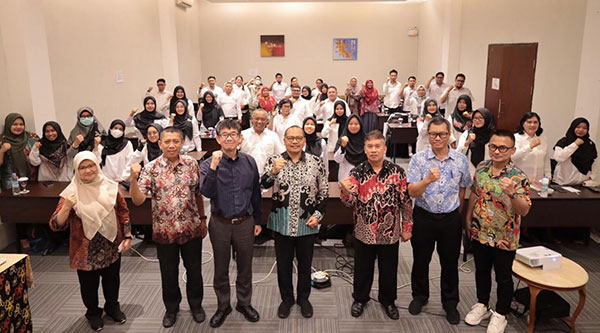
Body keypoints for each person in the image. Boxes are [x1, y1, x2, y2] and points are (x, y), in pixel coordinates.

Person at [129, 126, 208, 328]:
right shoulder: (151, 167)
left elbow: (198, 193)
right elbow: (138, 201)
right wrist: (132, 179)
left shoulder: (191, 164)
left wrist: (203, 218)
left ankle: (196, 305)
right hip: (165, 231)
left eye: (175, 141)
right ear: (160, 143)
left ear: (182, 143)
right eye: (167, 141)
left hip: (191, 227)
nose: (171, 145)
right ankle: (171, 308)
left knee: (194, 270)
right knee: (169, 272)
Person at [50, 151, 131, 331]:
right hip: (85, 249)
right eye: (82, 167)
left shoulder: (111, 187)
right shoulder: (70, 193)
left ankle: (112, 307)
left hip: (110, 244)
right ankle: (93, 312)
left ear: (97, 165)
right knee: (88, 285)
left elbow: (123, 212)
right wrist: (67, 207)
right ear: (77, 170)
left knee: (112, 280)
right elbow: (56, 225)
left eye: (91, 165)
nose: (88, 170)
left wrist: (127, 236)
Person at [339, 130, 413, 320]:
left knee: (389, 268)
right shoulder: (357, 172)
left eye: (377, 146)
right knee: (362, 268)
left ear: (384, 148)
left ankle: (388, 300)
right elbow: (349, 203)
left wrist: (407, 227)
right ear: (364, 149)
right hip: (364, 231)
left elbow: (405, 202)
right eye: (370, 146)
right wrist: (345, 192)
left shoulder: (397, 172)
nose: (373, 150)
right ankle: (360, 298)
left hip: (389, 232)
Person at [464, 130, 531, 333]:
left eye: (503, 148)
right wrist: (468, 218)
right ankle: (482, 304)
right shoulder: (482, 168)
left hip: (505, 236)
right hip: (480, 230)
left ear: (512, 150)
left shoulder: (518, 177)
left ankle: (501, 313)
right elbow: (475, 194)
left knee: (503, 276)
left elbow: (524, 210)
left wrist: (512, 193)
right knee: (481, 271)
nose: (497, 151)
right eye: (493, 146)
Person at [407, 117, 471, 325]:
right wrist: (427, 180)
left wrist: (458, 212)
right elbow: (411, 191)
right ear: (428, 135)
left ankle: (450, 303)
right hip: (424, 216)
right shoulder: (418, 159)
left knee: (450, 262)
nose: (438, 138)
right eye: (433, 134)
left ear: (449, 134)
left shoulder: (460, 159)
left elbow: (464, 188)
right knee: (421, 259)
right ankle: (419, 296)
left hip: (450, 219)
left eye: (442, 134)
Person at [261, 125, 329, 319]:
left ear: (304, 140)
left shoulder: (316, 163)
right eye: (290, 138)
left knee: (306, 264)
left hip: (306, 224)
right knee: (283, 264)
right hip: (281, 223)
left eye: (298, 138)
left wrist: (318, 215)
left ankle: (304, 298)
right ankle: (287, 299)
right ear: (284, 140)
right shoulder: (275, 160)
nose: (295, 141)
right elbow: (262, 185)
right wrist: (273, 172)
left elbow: (323, 193)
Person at [200, 120, 262, 328]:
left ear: (240, 138)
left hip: (245, 222)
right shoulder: (209, 163)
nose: (229, 137)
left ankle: (244, 303)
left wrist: (258, 220)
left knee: (245, 267)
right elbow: (206, 192)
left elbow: (255, 193)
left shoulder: (249, 162)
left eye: (233, 134)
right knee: (220, 268)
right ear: (217, 139)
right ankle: (223, 305)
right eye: (224, 134)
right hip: (220, 223)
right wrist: (215, 166)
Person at [553, 117, 597, 185]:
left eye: (584, 128)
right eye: (578, 127)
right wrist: (575, 144)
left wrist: (592, 177)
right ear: (573, 127)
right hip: (563, 183)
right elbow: (559, 158)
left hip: (581, 183)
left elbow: (594, 161)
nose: (581, 130)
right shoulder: (564, 141)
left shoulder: (590, 144)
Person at [240, 109, 285, 175]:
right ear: (251, 119)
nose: (259, 122)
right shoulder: (242, 135)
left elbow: (280, 154)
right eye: (257, 119)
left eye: (263, 119)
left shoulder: (273, 136)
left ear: (267, 121)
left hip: (267, 175)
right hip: (246, 173)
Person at [0, 113, 39, 187]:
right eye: (14, 124)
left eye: (21, 124)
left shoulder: (32, 137)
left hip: (32, 179)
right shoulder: (2, 140)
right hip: (11, 181)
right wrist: (2, 150)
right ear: (8, 125)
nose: (18, 127)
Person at [512, 112, 551, 182]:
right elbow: (514, 157)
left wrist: (548, 176)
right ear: (523, 124)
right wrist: (529, 146)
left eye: (535, 122)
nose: (532, 125)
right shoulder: (516, 138)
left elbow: (546, 159)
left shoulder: (543, 138)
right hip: (520, 179)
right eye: (529, 122)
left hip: (539, 180)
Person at [457, 108, 494, 174]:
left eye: (480, 118)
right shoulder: (468, 133)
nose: (477, 120)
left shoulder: (493, 136)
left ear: (487, 119)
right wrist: (467, 142)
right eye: (475, 118)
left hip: (489, 171)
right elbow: (458, 153)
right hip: (470, 170)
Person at [333, 114, 366, 182]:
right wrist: (343, 146)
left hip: (362, 175)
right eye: (350, 124)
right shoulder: (342, 139)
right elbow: (337, 160)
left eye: (356, 124)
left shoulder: (366, 140)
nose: (353, 126)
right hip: (346, 176)